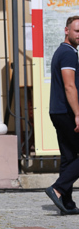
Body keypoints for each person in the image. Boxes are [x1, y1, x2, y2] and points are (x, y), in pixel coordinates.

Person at [46, 15, 79, 215]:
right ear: (66, 31)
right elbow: (69, 86)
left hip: (57, 111)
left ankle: (66, 203)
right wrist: (78, 114)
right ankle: (57, 189)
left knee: (68, 157)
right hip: (66, 112)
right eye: (76, 30)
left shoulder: (63, 51)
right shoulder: (68, 54)